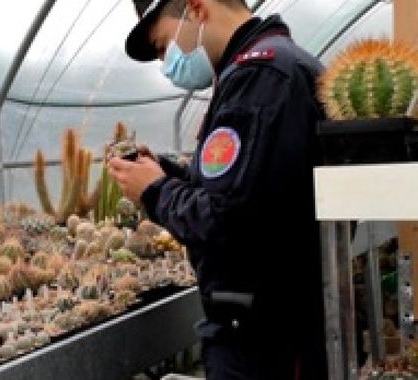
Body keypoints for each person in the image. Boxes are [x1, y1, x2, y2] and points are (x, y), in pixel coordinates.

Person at [109, 0, 328, 379]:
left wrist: (155, 191)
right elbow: (249, 189)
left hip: (264, 338)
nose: (167, 64)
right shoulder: (273, 67)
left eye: (164, 46)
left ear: (196, 9)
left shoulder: (259, 78)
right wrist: (168, 172)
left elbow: (225, 219)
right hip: (270, 325)